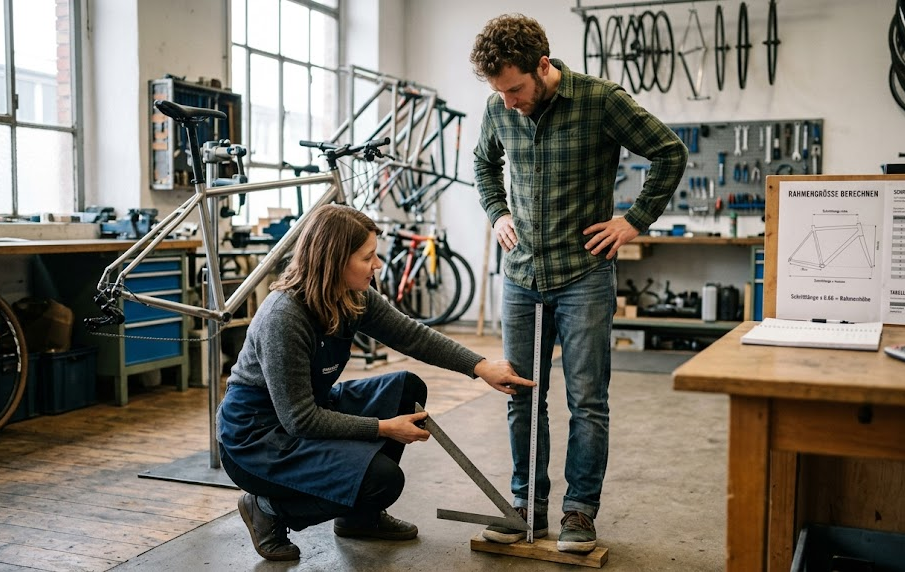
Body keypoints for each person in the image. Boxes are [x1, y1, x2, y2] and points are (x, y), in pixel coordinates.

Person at [469, 14, 688, 553]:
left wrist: (634, 220)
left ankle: (578, 513)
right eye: (500, 93)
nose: (509, 102)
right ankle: (526, 507)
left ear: (543, 66)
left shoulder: (601, 100)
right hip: (521, 275)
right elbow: (482, 165)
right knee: (521, 395)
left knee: (587, 398)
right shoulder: (499, 105)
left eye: (516, 89)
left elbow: (669, 152)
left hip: (583, 275)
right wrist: (497, 212)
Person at [216, 203, 535, 562]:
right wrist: (384, 428)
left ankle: (358, 518)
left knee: (405, 387)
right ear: (335, 260)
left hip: (309, 411)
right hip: (258, 439)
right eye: (368, 257)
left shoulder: (352, 297)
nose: (378, 265)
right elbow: (299, 420)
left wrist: (479, 366)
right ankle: (268, 510)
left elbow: (413, 336)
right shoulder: (284, 317)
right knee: (383, 480)